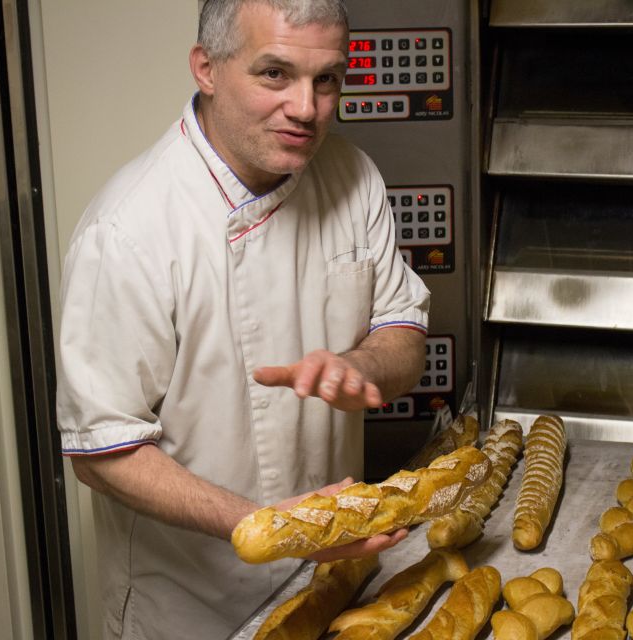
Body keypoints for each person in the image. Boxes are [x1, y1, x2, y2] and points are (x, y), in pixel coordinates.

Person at [55, 0, 430, 637]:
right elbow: (101, 450)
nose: (307, 109)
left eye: (327, 79)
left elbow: (402, 331)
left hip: (331, 575)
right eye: (275, 74)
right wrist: (269, 528)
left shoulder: (353, 176)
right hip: (191, 604)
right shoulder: (128, 231)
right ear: (206, 68)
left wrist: (361, 366)